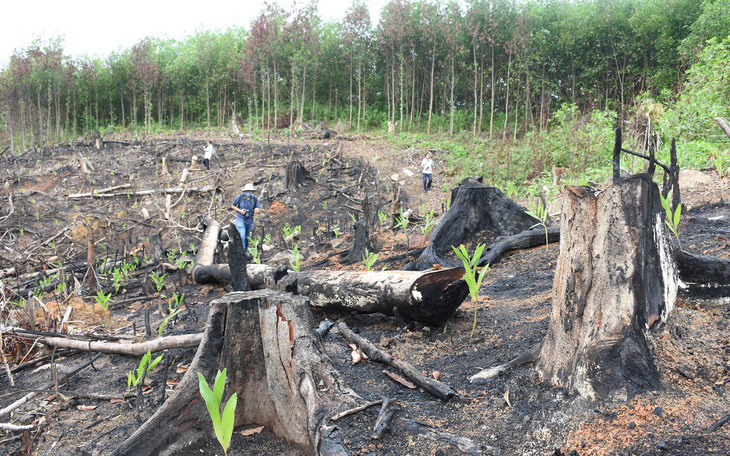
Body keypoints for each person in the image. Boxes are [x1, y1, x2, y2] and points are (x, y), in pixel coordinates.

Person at [231, 184, 261, 250]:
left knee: (247, 236)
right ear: (245, 191)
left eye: (250, 191)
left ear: (252, 192)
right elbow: (233, 206)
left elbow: (258, 209)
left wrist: (257, 210)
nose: (249, 192)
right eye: (247, 191)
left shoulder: (255, 199)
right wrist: (240, 211)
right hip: (240, 219)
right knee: (242, 235)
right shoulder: (240, 197)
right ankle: (243, 251)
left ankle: (246, 249)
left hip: (249, 220)